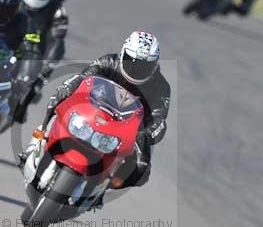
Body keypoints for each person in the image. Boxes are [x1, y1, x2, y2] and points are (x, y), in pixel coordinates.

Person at [25, 31, 170, 197]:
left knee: (141, 169)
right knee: (58, 98)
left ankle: (101, 190)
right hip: (94, 111)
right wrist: (68, 87)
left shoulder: (161, 87)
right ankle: (43, 137)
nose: (136, 69)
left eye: (144, 66)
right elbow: (84, 77)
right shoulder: (108, 61)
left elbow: (160, 118)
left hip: (129, 128)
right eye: (131, 61)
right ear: (123, 53)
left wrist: (146, 134)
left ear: (155, 65)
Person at [3, 0, 68, 122]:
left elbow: (57, 44)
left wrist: (43, 71)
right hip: (5, 44)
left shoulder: (57, 9)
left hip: (31, 55)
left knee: (35, 85)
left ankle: (20, 107)